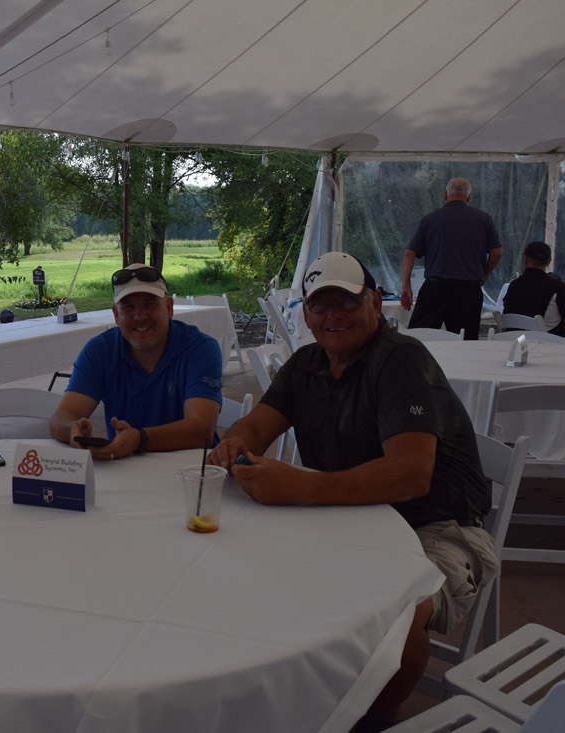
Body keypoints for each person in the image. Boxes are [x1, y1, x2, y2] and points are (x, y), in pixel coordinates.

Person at [210, 252, 498, 729]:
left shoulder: (402, 360)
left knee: (399, 609)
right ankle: (294, 693)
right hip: (343, 516)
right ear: (305, 314)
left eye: (346, 301)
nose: (333, 315)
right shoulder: (307, 364)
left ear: (375, 304)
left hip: (440, 526)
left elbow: (411, 475)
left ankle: (376, 717)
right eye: (320, 305)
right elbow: (257, 425)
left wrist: (301, 486)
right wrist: (235, 442)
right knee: (244, 568)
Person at [49, 263, 222, 459]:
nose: (140, 316)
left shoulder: (200, 349)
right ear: (116, 315)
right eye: (129, 307)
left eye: (150, 304)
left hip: (192, 470)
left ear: (169, 308)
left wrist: (139, 439)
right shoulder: (100, 351)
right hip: (124, 469)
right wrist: (73, 430)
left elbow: (202, 430)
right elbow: (60, 418)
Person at [401, 177, 502, 340]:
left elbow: (409, 253)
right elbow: (496, 252)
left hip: (435, 289)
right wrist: (485, 275)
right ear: (469, 197)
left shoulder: (430, 219)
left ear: (445, 194)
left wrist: (406, 286)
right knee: (466, 341)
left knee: (420, 338)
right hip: (468, 290)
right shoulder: (484, 219)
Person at [501, 241, 565, 337]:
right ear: (549, 261)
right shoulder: (558, 287)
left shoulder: (514, 286)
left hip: (514, 341)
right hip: (548, 343)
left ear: (525, 260)